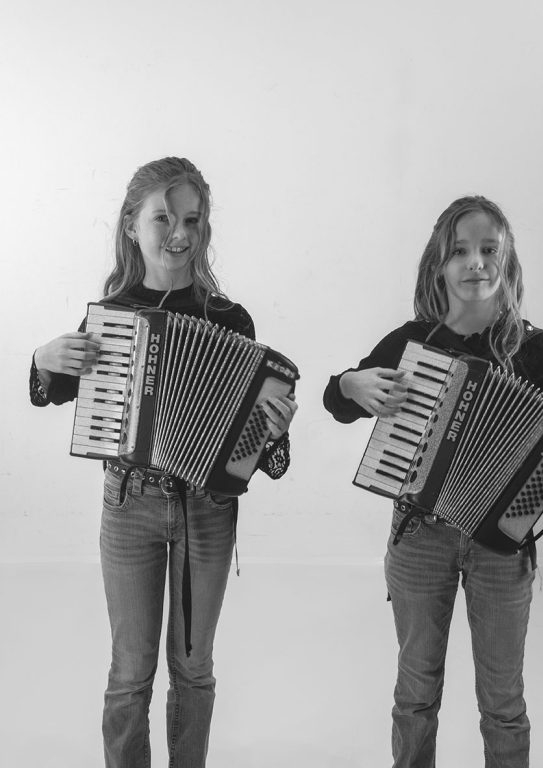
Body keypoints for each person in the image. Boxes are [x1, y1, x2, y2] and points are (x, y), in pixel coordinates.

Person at [29, 157, 298, 768]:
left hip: (208, 508)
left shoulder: (230, 319)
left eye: (192, 220)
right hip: (130, 504)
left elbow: (254, 445)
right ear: (132, 225)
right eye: (163, 218)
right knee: (130, 670)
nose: (179, 233)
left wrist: (273, 430)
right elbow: (56, 388)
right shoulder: (111, 314)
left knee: (194, 667)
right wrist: (43, 358)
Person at [323, 196, 543, 768]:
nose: (475, 263)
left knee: (503, 702)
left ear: (508, 261)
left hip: (502, 546)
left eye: (489, 250)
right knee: (415, 694)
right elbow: (337, 402)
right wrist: (349, 383)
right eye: (459, 251)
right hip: (420, 537)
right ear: (438, 265)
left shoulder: (540, 351)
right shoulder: (413, 343)